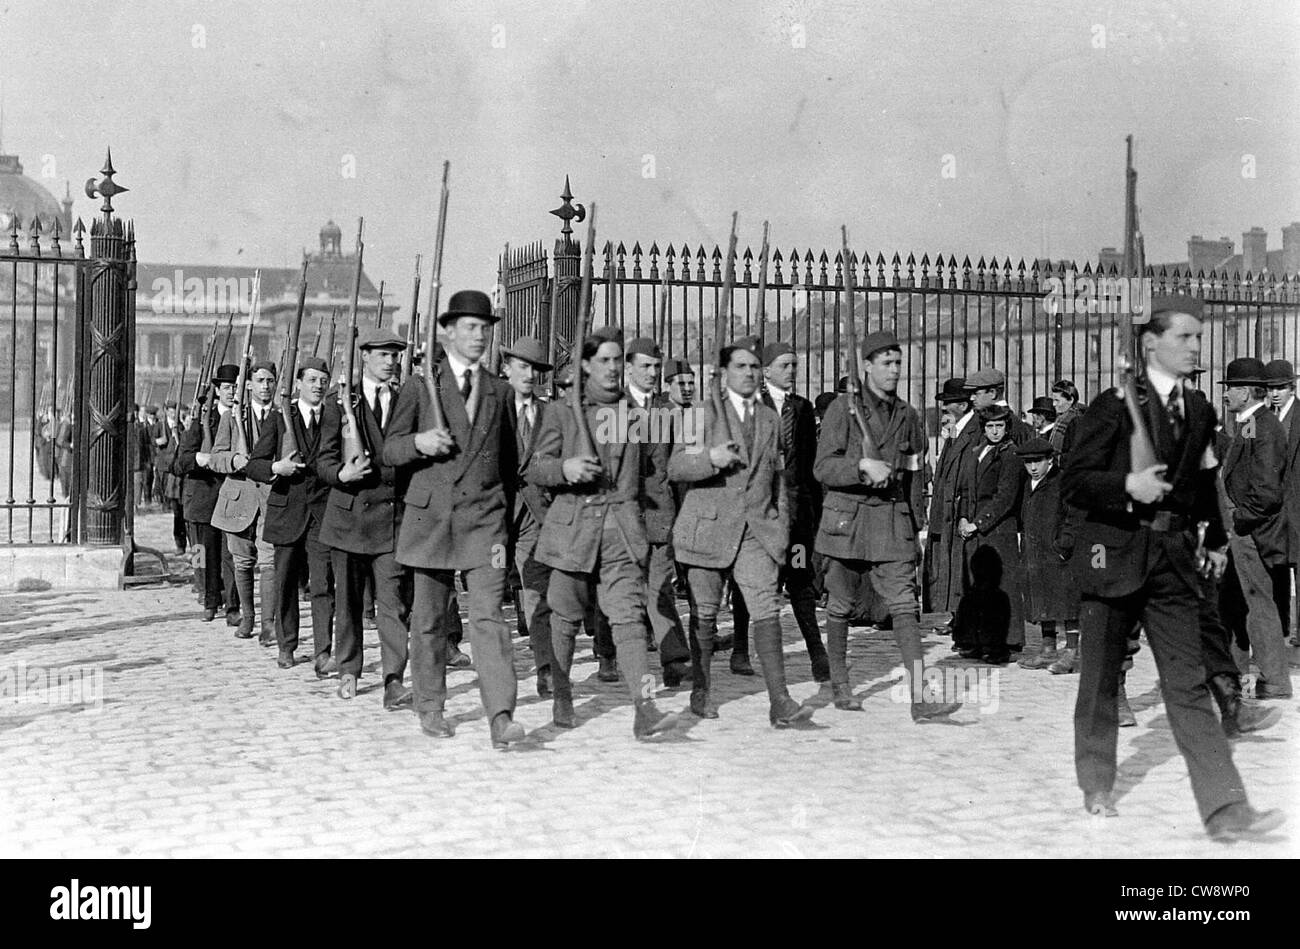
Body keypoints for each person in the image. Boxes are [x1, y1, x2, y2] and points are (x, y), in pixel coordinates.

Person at [1062, 294, 1283, 840]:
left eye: (1197, 337)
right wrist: (1125, 486)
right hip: (1114, 555)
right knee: (1099, 680)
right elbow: (1076, 478)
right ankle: (1096, 781)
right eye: (1183, 337)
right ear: (1150, 344)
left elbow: (1204, 484)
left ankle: (1227, 808)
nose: (1194, 346)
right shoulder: (1114, 404)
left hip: (1172, 565)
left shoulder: (1201, 409)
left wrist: (1210, 536)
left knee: (1186, 685)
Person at [383, 290, 526, 746]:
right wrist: (419, 444)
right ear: (447, 331)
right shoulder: (420, 386)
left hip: (484, 521)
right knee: (428, 618)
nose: (480, 335)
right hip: (432, 520)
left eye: (485, 327)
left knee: (489, 618)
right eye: (470, 326)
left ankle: (501, 714)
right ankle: (430, 704)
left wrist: (504, 520)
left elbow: (509, 464)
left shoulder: (500, 392)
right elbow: (389, 450)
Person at [526, 325, 679, 739]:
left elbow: (654, 475)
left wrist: (659, 529)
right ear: (587, 366)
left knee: (629, 620)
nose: (612, 368)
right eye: (604, 361)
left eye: (617, 360)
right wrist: (565, 470)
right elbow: (534, 468)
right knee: (564, 617)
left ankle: (644, 707)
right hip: (574, 530)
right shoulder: (562, 411)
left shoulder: (636, 414)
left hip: (622, 532)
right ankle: (562, 694)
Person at [670, 335, 814, 725]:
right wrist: (710, 459)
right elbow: (677, 466)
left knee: (766, 608)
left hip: (756, 531)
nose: (749, 373)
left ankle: (780, 700)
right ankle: (701, 690)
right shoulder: (703, 412)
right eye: (741, 367)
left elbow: (779, 478)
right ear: (724, 373)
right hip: (709, 530)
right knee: (705, 613)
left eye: (754, 367)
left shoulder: (769, 417)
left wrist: (780, 527)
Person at [815, 331, 958, 721]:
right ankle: (840, 684)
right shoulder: (842, 411)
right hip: (846, 520)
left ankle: (920, 696)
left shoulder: (909, 416)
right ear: (866, 366)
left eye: (898, 362)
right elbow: (822, 468)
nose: (894, 370)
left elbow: (913, 476)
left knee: (904, 605)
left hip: (891, 522)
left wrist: (915, 528)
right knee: (841, 605)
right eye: (886, 363)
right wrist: (860, 467)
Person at [318, 326, 413, 710]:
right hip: (349, 518)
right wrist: (340, 475)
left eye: (395, 355)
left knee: (393, 605)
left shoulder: (408, 400)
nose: (390, 362)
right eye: (383, 355)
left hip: (391, 519)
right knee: (350, 601)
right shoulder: (340, 403)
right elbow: (322, 459)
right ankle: (349, 670)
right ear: (365, 357)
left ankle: (394, 679)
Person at [728, 341, 829, 683]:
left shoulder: (801, 409)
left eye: (795, 365)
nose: (792, 372)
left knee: (800, 581)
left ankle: (817, 652)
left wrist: (813, 515)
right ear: (767, 370)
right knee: (751, 582)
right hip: (761, 515)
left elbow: (811, 466)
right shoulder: (751, 406)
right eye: (785, 366)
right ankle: (740, 648)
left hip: (798, 517)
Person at [245, 356, 335, 672]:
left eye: (323, 380)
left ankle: (324, 650)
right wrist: (276, 468)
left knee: (323, 584)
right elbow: (254, 464)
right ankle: (287, 645)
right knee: (284, 583)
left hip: (323, 513)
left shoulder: (334, 416)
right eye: (311, 379)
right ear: (298, 384)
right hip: (287, 513)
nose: (318, 385)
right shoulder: (281, 417)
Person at [1217, 357, 1292, 700]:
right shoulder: (1251, 424)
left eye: (1230, 389)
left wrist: (1238, 519)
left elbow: (1266, 490)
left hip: (1251, 533)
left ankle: (1275, 680)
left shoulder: (1263, 427)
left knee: (1258, 604)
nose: (1225, 395)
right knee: (1236, 604)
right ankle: (1234, 673)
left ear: (1246, 392)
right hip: (1243, 532)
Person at [623, 337, 692, 686]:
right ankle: (609, 655)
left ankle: (674, 660)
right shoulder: (615, 409)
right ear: (629, 368)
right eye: (645, 366)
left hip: (662, 513)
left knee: (660, 588)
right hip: (627, 514)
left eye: (655, 367)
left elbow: (682, 459)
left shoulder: (670, 411)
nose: (651, 373)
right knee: (625, 593)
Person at [501, 335, 557, 697]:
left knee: (538, 593)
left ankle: (546, 667)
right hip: (496, 514)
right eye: (522, 366)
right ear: (506, 368)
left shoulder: (550, 413)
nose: (529, 374)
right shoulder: (489, 408)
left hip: (536, 515)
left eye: (535, 368)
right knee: (488, 600)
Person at [209, 360, 279, 643]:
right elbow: (216, 457)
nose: (265, 386)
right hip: (238, 499)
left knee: (269, 562)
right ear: (248, 385)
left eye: (270, 381)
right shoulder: (233, 418)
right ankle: (247, 617)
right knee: (242, 562)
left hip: (271, 499)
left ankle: (268, 623)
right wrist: (235, 460)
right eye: (260, 380)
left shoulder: (282, 416)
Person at [953, 404, 1025, 661]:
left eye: (1000, 426)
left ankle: (1002, 644)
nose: (995, 431)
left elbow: (1005, 497)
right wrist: (963, 517)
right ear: (983, 428)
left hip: (997, 530)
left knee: (1000, 587)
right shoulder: (976, 452)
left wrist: (978, 523)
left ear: (1007, 428)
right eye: (990, 426)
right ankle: (975, 639)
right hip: (974, 529)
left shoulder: (1011, 454)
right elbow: (964, 489)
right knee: (976, 586)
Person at [178, 365, 240, 622]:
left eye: (236, 387)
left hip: (235, 497)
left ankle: (234, 606)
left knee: (233, 555)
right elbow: (179, 462)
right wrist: (200, 459)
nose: (231, 392)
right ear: (217, 390)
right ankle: (210, 600)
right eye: (226, 387)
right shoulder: (203, 420)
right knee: (205, 554)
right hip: (205, 498)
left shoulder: (242, 419)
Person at [1013, 438, 1080, 669]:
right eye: (1028, 463)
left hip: (1057, 553)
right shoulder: (1028, 483)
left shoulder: (1062, 481)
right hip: (1035, 551)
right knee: (1042, 599)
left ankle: (1072, 651)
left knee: (1067, 602)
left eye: (1038, 462)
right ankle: (1048, 649)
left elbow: (1074, 516)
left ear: (1049, 460)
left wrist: (1063, 546)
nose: (1033, 467)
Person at [925, 378, 979, 618]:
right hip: (946, 507)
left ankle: (961, 615)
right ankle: (954, 614)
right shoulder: (955, 429)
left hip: (961, 507)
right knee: (949, 563)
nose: (944, 408)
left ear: (964, 405)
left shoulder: (974, 429)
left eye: (949, 403)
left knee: (961, 565)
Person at [1263, 358, 1300, 645]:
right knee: (1275, 568)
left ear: (1292, 387)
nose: (1275, 393)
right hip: (1273, 510)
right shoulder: (1264, 418)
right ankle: (1280, 632)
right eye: (1270, 388)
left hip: (1297, 505)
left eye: (1281, 388)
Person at [966, 368, 1032, 443]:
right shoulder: (1015, 423)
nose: (971, 398)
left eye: (976, 393)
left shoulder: (1013, 425)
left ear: (992, 393)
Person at [156, 401, 187, 554]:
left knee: (188, 515)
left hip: (186, 479)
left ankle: (192, 547)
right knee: (177, 514)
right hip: (173, 476)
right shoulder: (162, 426)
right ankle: (180, 544)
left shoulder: (182, 429)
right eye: (171, 410)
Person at [1049, 379, 1083, 458]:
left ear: (1070, 400)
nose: (1054, 404)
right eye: (1053, 400)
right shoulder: (1062, 418)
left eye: (1057, 400)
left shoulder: (1075, 421)